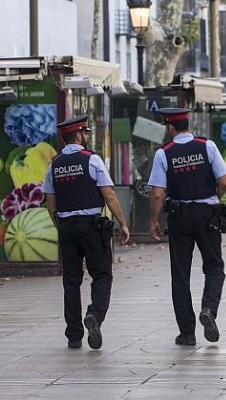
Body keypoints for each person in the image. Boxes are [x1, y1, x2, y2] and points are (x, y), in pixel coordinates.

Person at [43, 115, 130, 350]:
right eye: (86, 133)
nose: (88, 137)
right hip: (92, 226)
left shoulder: (54, 164)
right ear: (79, 135)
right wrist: (122, 223)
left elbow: (51, 203)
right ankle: (94, 315)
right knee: (102, 275)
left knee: (71, 281)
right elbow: (109, 194)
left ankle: (73, 335)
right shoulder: (92, 160)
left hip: (67, 227)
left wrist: (60, 226)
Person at [148, 108, 226, 346]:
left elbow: (156, 194)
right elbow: (225, 181)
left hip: (179, 217)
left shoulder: (164, 153)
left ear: (171, 128)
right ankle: (208, 309)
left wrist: (153, 221)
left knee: (180, 275)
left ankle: (186, 333)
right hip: (208, 215)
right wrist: (215, 197)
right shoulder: (208, 146)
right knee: (214, 266)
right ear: (188, 124)